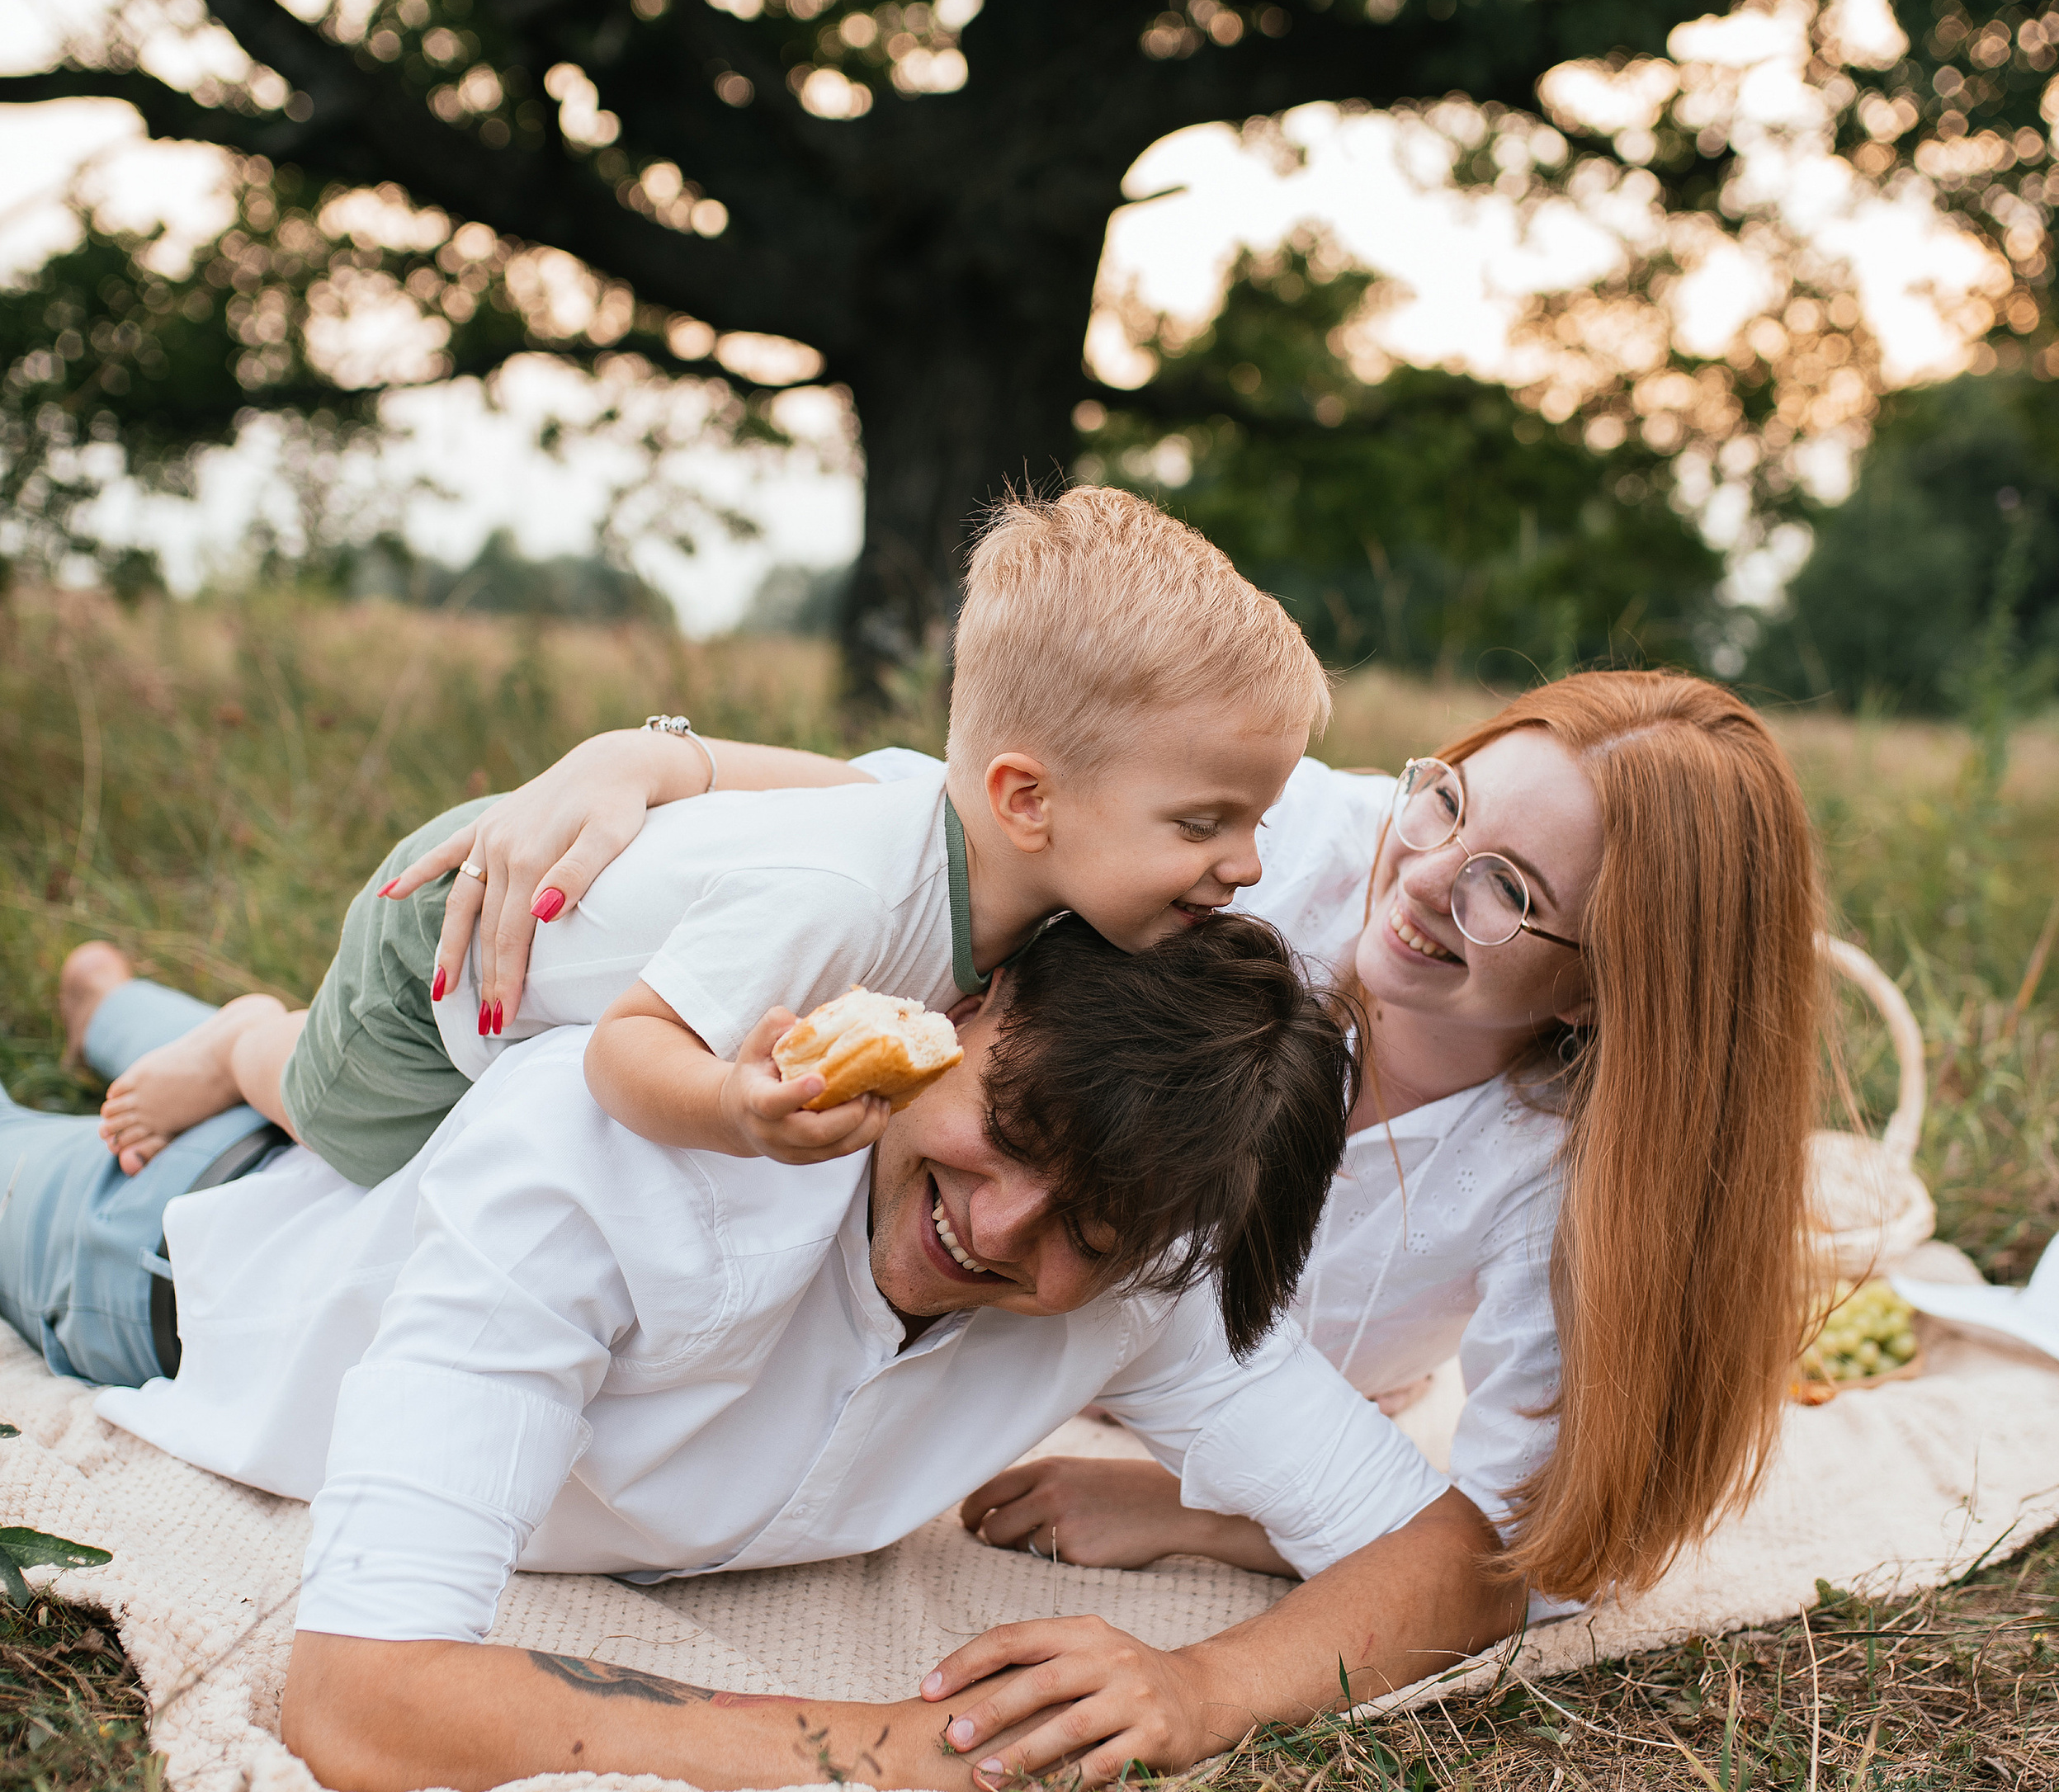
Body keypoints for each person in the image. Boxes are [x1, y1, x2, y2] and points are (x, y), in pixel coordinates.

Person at [1, 915, 1522, 1792]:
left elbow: (1472, 1564)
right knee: (101, 1150)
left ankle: (134, 1007)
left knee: (246, 1073)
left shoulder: (1146, 1287)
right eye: (1013, 1134)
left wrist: (1202, 1690)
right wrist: (899, 1750)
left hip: (363, 1191)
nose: (1002, 1229)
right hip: (160, 1255)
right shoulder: (609, 1171)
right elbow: (361, 1699)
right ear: (962, 1014)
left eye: (1096, 1228)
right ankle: (187, 1037)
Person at [417, 669, 1825, 1622]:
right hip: (1024, 1292)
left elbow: (1534, 1557)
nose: (1428, 880)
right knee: (410, 1116)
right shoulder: (1305, 849)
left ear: (1608, 985)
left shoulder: (1573, 1178)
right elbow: (967, 828)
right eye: (1447, 802)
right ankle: (246, 1050)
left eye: (1509, 891)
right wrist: (661, 756)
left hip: (1236, 1391)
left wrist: (1200, 1517)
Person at [92, 489, 1329, 1186]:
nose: (1249, 863)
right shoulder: (843, 901)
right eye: (1205, 823)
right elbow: (624, 1051)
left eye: (1257, 819)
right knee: (364, 1147)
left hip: (565, 895)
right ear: (1026, 799)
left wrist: (663, 754)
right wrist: (735, 1109)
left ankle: (160, 1017)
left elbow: (834, 776)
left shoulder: (959, 830)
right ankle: (247, 1043)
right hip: (454, 951)